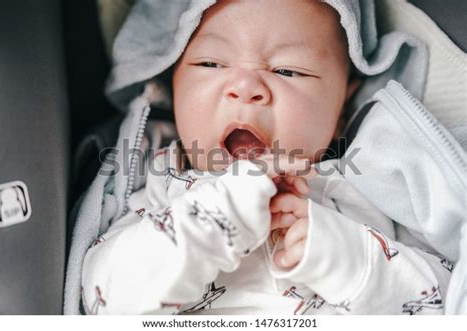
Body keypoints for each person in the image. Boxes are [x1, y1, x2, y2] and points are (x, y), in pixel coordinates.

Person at [80, 0, 452, 314]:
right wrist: (220, 215)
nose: (245, 87)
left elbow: (444, 301)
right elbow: (107, 298)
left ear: (342, 109)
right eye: (211, 63)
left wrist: (347, 259)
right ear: (170, 86)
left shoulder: (363, 192)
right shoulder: (161, 187)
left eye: (288, 70)